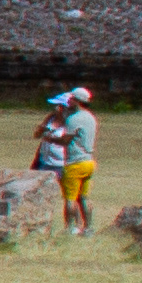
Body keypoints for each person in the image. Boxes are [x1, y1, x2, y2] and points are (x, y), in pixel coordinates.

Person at [45, 86, 99, 235]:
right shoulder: (91, 117)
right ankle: (89, 228)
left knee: (70, 198)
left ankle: (70, 228)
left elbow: (66, 140)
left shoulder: (74, 119)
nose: (69, 101)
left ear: (77, 100)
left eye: (72, 98)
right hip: (89, 162)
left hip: (75, 162)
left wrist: (51, 138)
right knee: (84, 197)